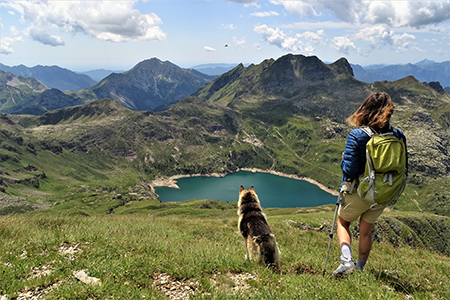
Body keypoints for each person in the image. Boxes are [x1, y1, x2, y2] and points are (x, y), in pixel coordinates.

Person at [332, 91, 408, 277]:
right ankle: (360, 268)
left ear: (365, 109)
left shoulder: (357, 135)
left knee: (343, 222)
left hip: (360, 191)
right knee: (366, 230)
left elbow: (349, 171)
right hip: (383, 192)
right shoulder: (398, 135)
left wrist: (343, 160)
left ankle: (346, 262)